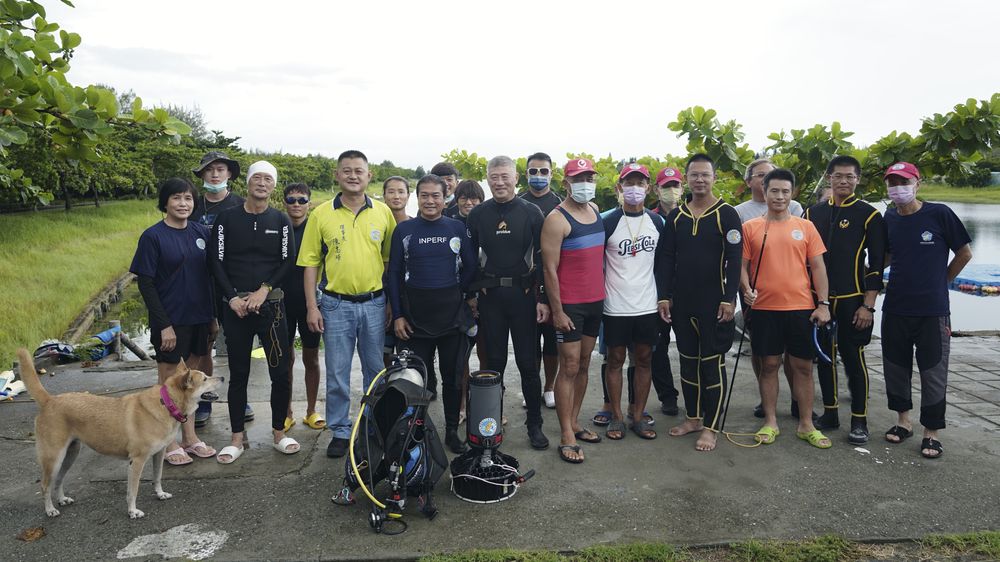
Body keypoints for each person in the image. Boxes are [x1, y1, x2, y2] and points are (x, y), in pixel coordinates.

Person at [298, 150, 396, 459]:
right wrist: (312, 307)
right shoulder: (321, 214)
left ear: (369, 176)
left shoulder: (383, 212)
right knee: (337, 371)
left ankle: (372, 425)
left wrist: (393, 304)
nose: (353, 176)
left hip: (375, 303)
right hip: (335, 305)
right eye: (347, 171)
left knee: (376, 370)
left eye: (359, 171)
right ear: (337, 175)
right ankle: (340, 429)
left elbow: (390, 260)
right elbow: (311, 264)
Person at [208, 161, 299, 463]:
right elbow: (215, 261)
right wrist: (231, 297)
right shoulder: (226, 219)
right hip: (236, 309)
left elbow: (288, 260)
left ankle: (278, 433)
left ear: (273, 186)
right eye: (257, 178)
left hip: (271, 308)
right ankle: (236, 438)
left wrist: (264, 289)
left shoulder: (281, 220)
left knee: (280, 373)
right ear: (247, 183)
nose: (262, 183)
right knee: (239, 375)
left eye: (268, 179)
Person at [881, 161, 972, 459]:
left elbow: (964, 252)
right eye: (892, 183)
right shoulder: (889, 217)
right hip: (895, 306)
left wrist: (942, 281)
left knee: (932, 370)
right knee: (896, 367)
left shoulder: (940, 213)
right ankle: (903, 422)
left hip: (932, 310)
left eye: (904, 182)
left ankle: (931, 432)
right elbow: (887, 255)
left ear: (918, 183)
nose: (898, 188)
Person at [655, 154, 742, 452]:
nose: (700, 180)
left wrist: (729, 299)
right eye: (694, 175)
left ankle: (711, 426)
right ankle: (692, 418)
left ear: (714, 178)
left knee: (712, 364)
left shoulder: (726, 214)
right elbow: (665, 258)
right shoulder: (676, 216)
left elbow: (734, 259)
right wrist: (664, 296)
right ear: (687, 179)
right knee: (688, 363)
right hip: (683, 303)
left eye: (705, 174)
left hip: (714, 303)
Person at [741, 168, 832, 449]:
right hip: (764, 309)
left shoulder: (806, 227)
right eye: (774, 191)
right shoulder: (751, 227)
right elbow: (741, 267)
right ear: (764, 192)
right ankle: (770, 421)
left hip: (801, 308)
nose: (779, 196)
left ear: (792, 194)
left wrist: (823, 304)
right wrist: (746, 289)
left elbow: (817, 266)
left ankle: (806, 424)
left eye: (785, 191)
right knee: (769, 365)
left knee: (803, 367)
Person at [129, 178, 217, 466]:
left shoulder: (201, 232)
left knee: (191, 384)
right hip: (170, 319)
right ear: (165, 202)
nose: (183, 204)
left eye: (188, 199)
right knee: (169, 384)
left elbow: (211, 277)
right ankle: (169, 442)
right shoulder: (153, 236)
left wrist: (213, 318)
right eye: (177, 198)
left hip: (200, 316)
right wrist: (163, 324)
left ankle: (190, 439)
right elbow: (146, 283)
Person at [387, 174, 476, 453]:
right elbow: (394, 274)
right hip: (415, 320)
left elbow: (471, 267)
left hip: (451, 318)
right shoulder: (404, 230)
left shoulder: (457, 228)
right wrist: (399, 315)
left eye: (435, 195)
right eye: (424, 195)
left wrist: (457, 293)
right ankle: (416, 431)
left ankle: (451, 431)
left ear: (445, 197)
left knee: (452, 378)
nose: (430, 201)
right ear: (417, 197)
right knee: (414, 381)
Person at [466, 155, 550, 451]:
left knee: (529, 364)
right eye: (494, 177)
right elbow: (468, 258)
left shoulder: (532, 213)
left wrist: (542, 299)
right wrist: (473, 293)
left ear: (516, 178)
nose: (499, 182)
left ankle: (534, 426)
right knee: (495, 364)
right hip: (492, 300)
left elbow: (543, 259)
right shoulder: (478, 215)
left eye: (505, 176)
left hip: (524, 299)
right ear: (487, 179)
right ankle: (491, 423)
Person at [805, 155, 887, 444]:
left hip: (854, 298)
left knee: (854, 358)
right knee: (824, 357)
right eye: (838, 176)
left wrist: (869, 304)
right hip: (820, 299)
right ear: (829, 178)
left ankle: (860, 420)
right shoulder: (812, 213)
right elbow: (805, 259)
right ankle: (830, 413)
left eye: (850, 177)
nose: (843, 181)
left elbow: (877, 264)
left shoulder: (869, 215)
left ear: (858, 179)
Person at [541, 158, 605, 462]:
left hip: (596, 303)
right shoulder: (557, 219)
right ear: (565, 183)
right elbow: (549, 270)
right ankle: (566, 433)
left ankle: (576, 421)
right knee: (568, 367)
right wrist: (558, 311)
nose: (585, 183)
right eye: (578, 178)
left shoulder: (593, 211)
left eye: (589, 177)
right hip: (571, 306)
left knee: (583, 365)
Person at [735, 158, 806, 421]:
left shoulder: (796, 208)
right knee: (763, 351)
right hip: (755, 292)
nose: (777, 193)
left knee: (794, 352)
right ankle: (766, 400)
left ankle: (798, 399)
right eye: (763, 175)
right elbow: (738, 256)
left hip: (792, 293)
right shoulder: (740, 212)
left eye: (775, 176)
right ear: (752, 181)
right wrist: (745, 288)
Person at [602, 163, 663, 441]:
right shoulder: (608, 222)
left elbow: (664, 263)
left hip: (647, 305)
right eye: (629, 183)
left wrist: (665, 298)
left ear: (648, 188)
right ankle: (616, 417)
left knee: (644, 359)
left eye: (640, 183)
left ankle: (638, 416)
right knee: (614, 359)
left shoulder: (658, 222)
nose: (634, 189)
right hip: (615, 305)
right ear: (619, 187)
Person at [189, 151, 247, 427]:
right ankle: (204, 398)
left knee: (237, 344)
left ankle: (240, 395)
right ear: (201, 175)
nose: (214, 174)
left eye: (220, 169)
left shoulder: (241, 205)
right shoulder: (192, 205)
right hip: (199, 283)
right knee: (204, 346)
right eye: (209, 169)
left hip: (233, 284)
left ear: (229, 174)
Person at [519, 152, 562, 409]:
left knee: (552, 343)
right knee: (529, 342)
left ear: (551, 174)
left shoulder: (559, 204)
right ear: (526, 174)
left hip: (554, 280)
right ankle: (532, 387)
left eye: (543, 171)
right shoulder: (519, 202)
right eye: (533, 172)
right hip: (525, 284)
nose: (538, 176)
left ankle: (549, 388)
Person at [280, 183, 324, 433]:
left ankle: (311, 410)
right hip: (282, 303)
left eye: (302, 200)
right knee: (285, 359)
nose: (296, 204)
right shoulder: (278, 227)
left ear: (309, 203)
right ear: (285, 202)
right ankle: (286, 413)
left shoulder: (315, 228)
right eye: (291, 199)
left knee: (311, 358)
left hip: (311, 304)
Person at [649, 167, 683, 416]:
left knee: (689, 347)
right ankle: (667, 396)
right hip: (656, 295)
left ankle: (698, 395)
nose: (671, 191)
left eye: (675, 185)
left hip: (685, 294)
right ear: (656, 189)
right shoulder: (651, 219)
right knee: (657, 349)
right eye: (666, 186)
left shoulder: (691, 215)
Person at [381, 176, 412, 369]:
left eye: (401, 191)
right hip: (380, 294)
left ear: (409, 196)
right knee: (383, 350)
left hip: (408, 296)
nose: (396, 196)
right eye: (391, 191)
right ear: (383, 195)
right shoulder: (376, 225)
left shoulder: (415, 225)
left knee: (407, 350)